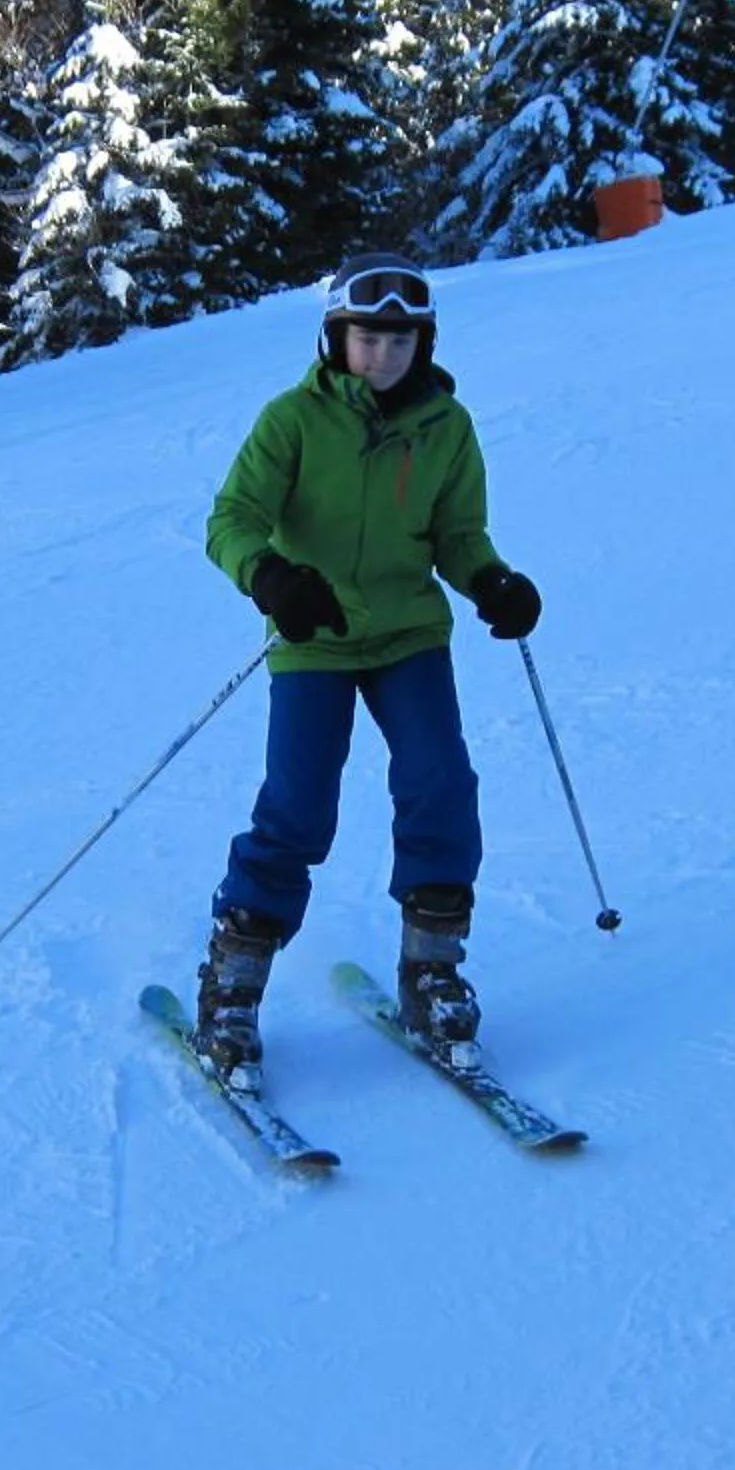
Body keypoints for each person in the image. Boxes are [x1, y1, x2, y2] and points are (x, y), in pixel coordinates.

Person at [193, 252, 542, 1090]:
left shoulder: (446, 428)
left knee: (440, 783)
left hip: (408, 637)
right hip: (316, 635)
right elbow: (231, 518)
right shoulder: (293, 421)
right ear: (335, 340)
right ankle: (232, 985)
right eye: (367, 338)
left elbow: (457, 536)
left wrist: (492, 579)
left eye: (400, 340)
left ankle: (432, 974)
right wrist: (270, 576)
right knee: (297, 806)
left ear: (421, 344)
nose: (383, 355)